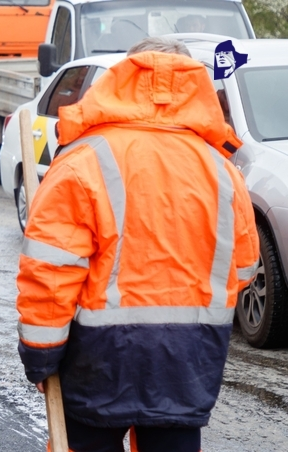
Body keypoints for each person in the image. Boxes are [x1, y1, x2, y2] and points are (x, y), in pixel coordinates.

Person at [15, 36, 259, 451]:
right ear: (194, 86)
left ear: (123, 80)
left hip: (97, 361)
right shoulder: (222, 170)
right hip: (186, 363)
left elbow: (51, 274)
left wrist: (41, 355)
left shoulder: (82, 159)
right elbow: (244, 269)